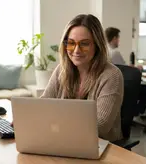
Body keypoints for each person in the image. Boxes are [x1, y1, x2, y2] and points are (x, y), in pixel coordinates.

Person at [41, 14, 124, 142]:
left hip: (101, 147)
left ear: (97, 45)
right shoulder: (61, 70)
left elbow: (100, 126)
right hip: (64, 140)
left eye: (84, 44)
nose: (76, 50)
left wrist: (55, 122)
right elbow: (43, 104)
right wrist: (29, 117)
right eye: (71, 43)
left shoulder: (111, 75)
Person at [105, 27, 146, 119]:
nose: (119, 41)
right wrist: (138, 68)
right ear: (114, 38)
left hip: (113, 86)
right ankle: (135, 111)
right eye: (118, 38)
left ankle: (131, 112)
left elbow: (123, 67)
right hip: (124, 88)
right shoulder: (114, 52)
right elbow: (127, 71)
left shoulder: (105, 51)